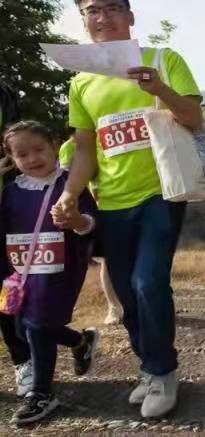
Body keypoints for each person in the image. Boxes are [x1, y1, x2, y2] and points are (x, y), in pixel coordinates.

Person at [51, 0, 204, 417]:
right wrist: (70, 193)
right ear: (84, 22)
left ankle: (163, 369)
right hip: (112, 201)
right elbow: (86, 149)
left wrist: (160, 89)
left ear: (131, 16)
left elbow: (193, 118)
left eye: (113, 8)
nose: (103, 17)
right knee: (126, 293)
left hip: (162, 191)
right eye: (93, 11)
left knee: (148, 282)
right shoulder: (81, 83)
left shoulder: (162, 59)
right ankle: (150, 367)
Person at [2, 121, 100, 425]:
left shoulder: (70, 184)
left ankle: (41, 393)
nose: (32, 158)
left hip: (59, 270)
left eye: (38, 149)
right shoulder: (10, 192)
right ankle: (80, 341)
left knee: (37, 324)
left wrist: (76, 221)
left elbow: (91, 222)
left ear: (55, 145)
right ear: (11, 159)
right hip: (16, 274)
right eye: (22, 154)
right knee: (23, 326)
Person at [59, 132, 123, 325]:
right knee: (108, 260)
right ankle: (114, 307)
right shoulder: (70, 147)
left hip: (132, 202)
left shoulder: (113, 132)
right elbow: (66, 183)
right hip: (100, 208)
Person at [0, 76, 32, 399]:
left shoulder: (5, 92)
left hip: (5, 213)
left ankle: (23, 360)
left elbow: (15, 148)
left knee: (7, 292)